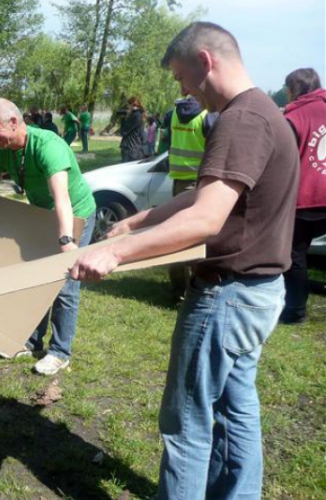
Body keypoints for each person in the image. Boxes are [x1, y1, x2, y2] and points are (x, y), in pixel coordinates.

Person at [70, 22, 299, 499]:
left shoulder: (240, 119)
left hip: (226, 298)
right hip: (259, 292)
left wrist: (113, 252)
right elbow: (207, 193)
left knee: (187, 426)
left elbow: (204, 221)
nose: (183, 90)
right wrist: (140, 219)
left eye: (181, 77)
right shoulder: (266, 113)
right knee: (236, 412)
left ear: (205, 60)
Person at [0, 98, 96, 375]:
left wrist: (66, 241)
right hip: (41, 216)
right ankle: (30, 340)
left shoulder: (47, 145)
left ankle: (59, 352)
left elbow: (61, 198)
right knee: (34, 280)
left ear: (14, 123)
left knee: (63, 287)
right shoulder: (4, 151)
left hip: (75, 216)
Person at [280, 68, 326, 324]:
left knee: (294, 254)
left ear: (294, 89)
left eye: (287, 89)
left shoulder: (294, 117)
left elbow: (282, 162)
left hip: (306, 199)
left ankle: (295, 311)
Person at [166, 95, 218, 301]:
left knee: (175, 237)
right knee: (196, 237)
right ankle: (196, 291)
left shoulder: (173, 115)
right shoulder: (208, 116)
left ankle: (178, 288)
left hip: (178, 182)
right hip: (199, 182)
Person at [119, 96, 145, 162]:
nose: (128, 108)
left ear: (131, 105)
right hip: (136, 148)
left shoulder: (135, 116)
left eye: (129, 106)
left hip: (130, 148)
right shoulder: (139, 115)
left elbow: (123, 132)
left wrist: (122, 119)